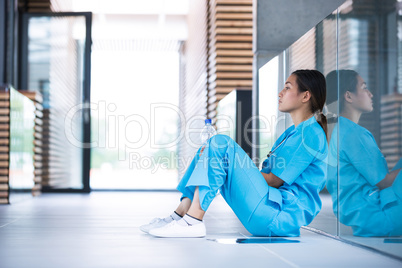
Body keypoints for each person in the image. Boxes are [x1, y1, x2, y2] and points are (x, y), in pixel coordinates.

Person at [140, 69, 329, 238]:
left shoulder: (309, 133)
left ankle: (193, 221)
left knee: (220, 143)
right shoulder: (292, 133)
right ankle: (180, 214)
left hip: (278, 216)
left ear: (305, 96)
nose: (280, 93)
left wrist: (235, 165)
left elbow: (274, 180)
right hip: (268, 209)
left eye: (287, 88)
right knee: (208, 150)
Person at [326, 70, 402, 236]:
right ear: (349, 96)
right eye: (364, 88)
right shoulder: (353, 134)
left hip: (363, 219)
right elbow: (384, 182)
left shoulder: (337, 130)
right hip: (381, 216)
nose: (371, 94)